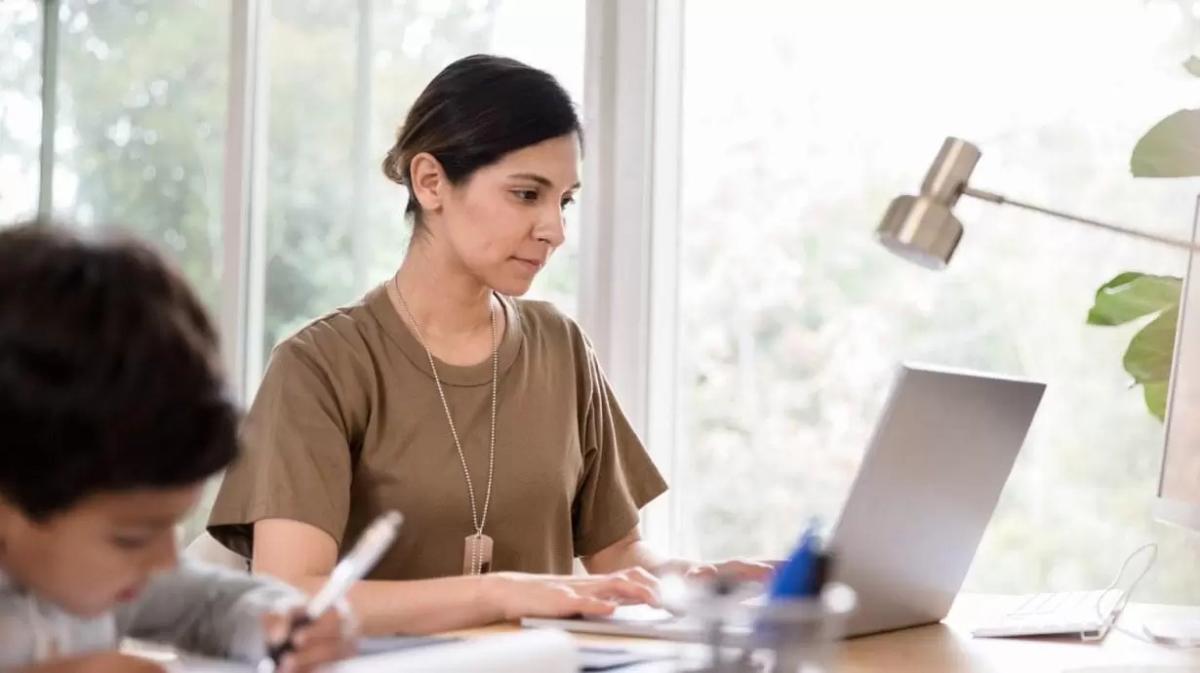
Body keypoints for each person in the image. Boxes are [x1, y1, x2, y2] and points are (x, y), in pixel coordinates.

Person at [208, 54, 773, 636]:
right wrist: (504, 593)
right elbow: (291, 597)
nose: (554, 228)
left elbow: (620, 558)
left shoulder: (562, 348)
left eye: (565, 200)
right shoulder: (320, 366)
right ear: (431, 182)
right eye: (528, 194)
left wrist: (697, 579)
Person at [0, 222, 357, 672]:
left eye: (168, 526)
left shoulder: (110, 565)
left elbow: (209, 601)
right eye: (131, 537)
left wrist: (280, 620)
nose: (166, 558)